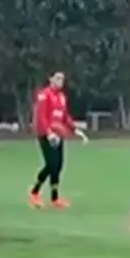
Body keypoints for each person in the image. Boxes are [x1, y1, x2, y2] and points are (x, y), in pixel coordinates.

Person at [29, 71, 88, 208]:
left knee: (58, 166)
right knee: (51, 164)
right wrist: (49, 133)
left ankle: (55, 198)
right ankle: (34, 193)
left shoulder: (62, 97)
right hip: (46, 134)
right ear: (50, 79)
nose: (60, 81)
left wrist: (75, 130)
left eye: (62, 79)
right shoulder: (44, 95)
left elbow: (64, 116)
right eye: (57, 78)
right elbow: (41, 116)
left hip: (58, 134)